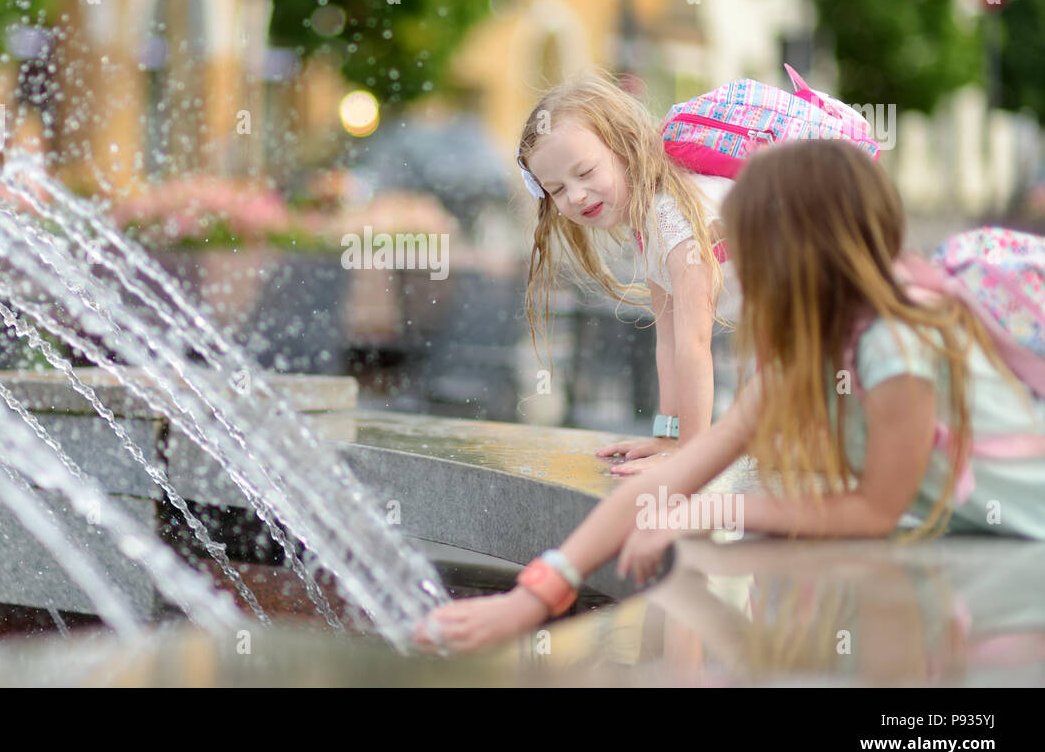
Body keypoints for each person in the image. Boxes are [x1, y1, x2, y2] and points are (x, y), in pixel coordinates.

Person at [418, 141, 1045, 653]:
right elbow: (678, 475)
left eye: (738, 238)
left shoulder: (895, 347)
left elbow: (874, 511)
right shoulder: (808, 351)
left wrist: (710, 512)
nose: (727, 255)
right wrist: (537, 593)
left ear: (794, 250)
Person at [518, 69, 740, 470]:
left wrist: (687, 460)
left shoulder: (674, 217)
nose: (576, 195)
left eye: (584, 172)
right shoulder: (650, 222)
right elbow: (668, 341)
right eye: (556, 189)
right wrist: (666, 439)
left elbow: (694, 344)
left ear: (625, 147)